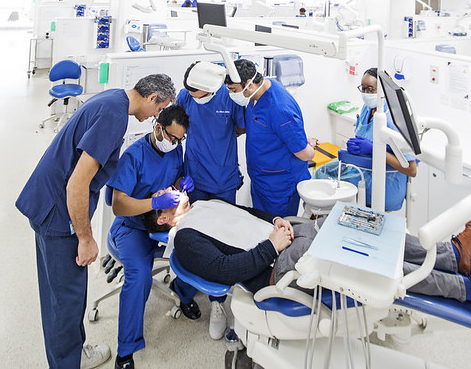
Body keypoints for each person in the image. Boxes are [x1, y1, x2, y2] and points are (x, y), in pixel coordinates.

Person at [15, 74, 175, 369]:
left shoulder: (114, 99)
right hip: (59, 212)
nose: (157, 115)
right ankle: (67, 363)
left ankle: (74, 354)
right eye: (159, 108)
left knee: (63, 296)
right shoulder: (114, 117)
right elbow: (77, 184)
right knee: (66, 301)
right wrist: (86, 238)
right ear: (152, 98)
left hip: (48, 201)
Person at [144, 196, 471, 308]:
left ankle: (452, 256)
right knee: (359, 255)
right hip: (274, 266)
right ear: (163, 218)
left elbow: (247, 213)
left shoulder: (204, 203)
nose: (173, 190)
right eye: (164, 197)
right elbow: (226, 270)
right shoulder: (185, 238)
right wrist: (273, 244)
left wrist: (276, 221)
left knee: (354, 221)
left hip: (282, 238)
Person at [107, 105, 197, 369]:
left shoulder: (174, 148)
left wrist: (181, 185)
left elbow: (175, 177)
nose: (176, 144)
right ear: (158, 128)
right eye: (172, 138)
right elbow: (118, 205)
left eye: (180, 140)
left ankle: (184, 295)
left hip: (162, 223)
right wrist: (155, 202)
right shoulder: (134, 156)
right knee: (139, 276)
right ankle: (125, 352)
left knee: (194, 251)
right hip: (132, 226)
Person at [176, 61, 246, 339]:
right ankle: (184, 292)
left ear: (209, 88)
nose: (191, 96)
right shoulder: (185, 96)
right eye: (189, 92)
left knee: (220, 240)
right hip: (195, 176)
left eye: (196, 92)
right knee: (192, 236)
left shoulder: (229, 97)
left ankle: (217, 302)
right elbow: (179, 126)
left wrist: (219, 142)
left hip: (223, 179)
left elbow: (240, 128)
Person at [224, 59, 317, 218]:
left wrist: (308, 146)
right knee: (261, 223)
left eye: (234, 90)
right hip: (261, 179)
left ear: (249, 84)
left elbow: (305, 154)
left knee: (278, 227)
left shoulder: (279, 109)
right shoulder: (257, 93)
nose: (232, 95)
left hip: (279, 186)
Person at [314, 68, 417, 211]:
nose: (366, 94)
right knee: (321, 173)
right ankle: (318, 217)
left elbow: (411, 170)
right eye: (363, 89)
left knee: (330, 186)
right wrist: (356, 147)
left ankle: (323, 215)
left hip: (386, 183)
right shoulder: (368, 108)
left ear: (384, 91)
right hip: (364, 170)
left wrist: (373, 149)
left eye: (370, 89)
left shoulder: (393, 118)